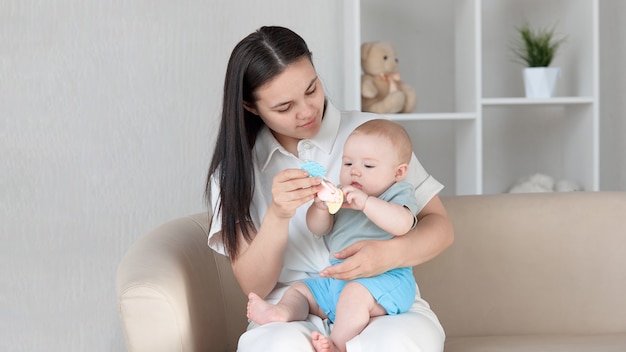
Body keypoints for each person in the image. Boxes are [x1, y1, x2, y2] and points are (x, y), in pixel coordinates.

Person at [205, 26, 454, 352]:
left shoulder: (375, 137)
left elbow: (441, 228)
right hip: (294, 302)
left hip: (378, 295)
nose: (307, 111)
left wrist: (387, 255)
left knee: (394, 344)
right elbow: (254, 286)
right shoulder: (233, 175)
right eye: (284, 107)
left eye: (312, 89)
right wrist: (279, 215)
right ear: (251, 108)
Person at [247, 119, 423, 352]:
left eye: (368, 166)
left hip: (386, 280)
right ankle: (281, 312)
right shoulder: (343, 195)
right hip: (339, 281)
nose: (355, 172)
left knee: (354, 295)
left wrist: (367, 203)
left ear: (398, 172)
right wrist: (320, 208)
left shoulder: (398, 192)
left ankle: (338, 345)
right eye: (348, 163)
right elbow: (319, 229)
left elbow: (402, 224)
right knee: (301, 290)